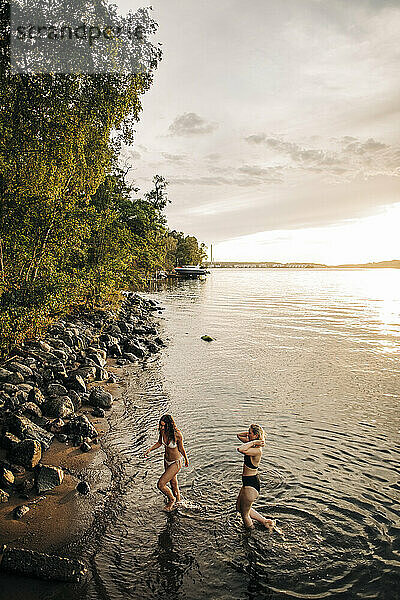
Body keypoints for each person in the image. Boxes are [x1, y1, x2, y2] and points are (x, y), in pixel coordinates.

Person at [236, 424, 281, 533]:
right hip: (247, 482)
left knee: (245, 514)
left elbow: (240, 449)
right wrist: (251, 438)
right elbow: (238, 435)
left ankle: (250, 534)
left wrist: (253, 441)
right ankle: (265, 521)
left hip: (251, 484)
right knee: (239, 508)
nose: (247, 434)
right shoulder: (252, 446)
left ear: (255, 435)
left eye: (250, 432)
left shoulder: (257, 450)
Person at [145, 414, 189, 511]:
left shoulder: (177, 434)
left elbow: (181, 448)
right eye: (161, 425)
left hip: (176, 462)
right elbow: (160, 442)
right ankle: (178, 502)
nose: (162, 427)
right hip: (166, 461)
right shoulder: (162, 431)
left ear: (170, 424)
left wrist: (186, 459)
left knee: (161, 484)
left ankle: (171, 499)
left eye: (164, 425)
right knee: (173, 483)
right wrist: (150, 449)